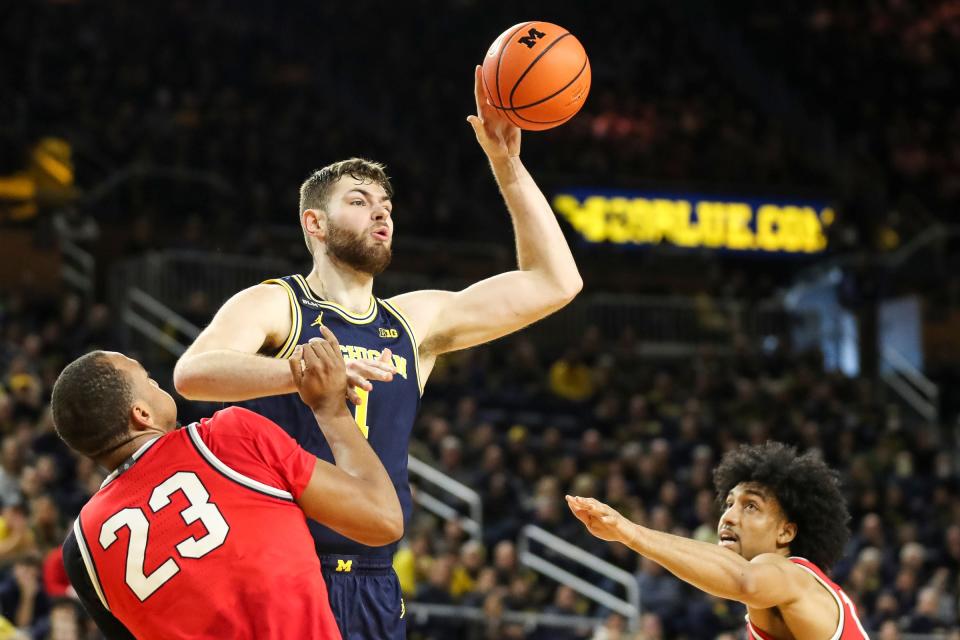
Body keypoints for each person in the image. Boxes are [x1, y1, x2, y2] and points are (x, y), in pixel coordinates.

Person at [173, 66, 582, 637]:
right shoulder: (278, 304)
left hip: (373, 578)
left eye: (385, 203)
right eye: (360, 201)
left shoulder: (412, 321)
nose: (381, 212)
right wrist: (306, 371)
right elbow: (193, 374)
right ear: (313, 223)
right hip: (283, 565)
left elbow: (555, 283)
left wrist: (507, 168)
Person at [52, 328, 401, 639]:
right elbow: (382, 519)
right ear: (141, 415)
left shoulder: (81, 550)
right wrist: (331, 410)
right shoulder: (227, 436)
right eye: (150, 381)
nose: (157, 381)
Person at [567, 442, 870, 639]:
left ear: (786, 532)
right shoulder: (770, 601)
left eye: (751, 506)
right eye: (728, 504)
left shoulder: (794, 574)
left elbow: (745, 580)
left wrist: (629, 532)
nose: (728, 516)